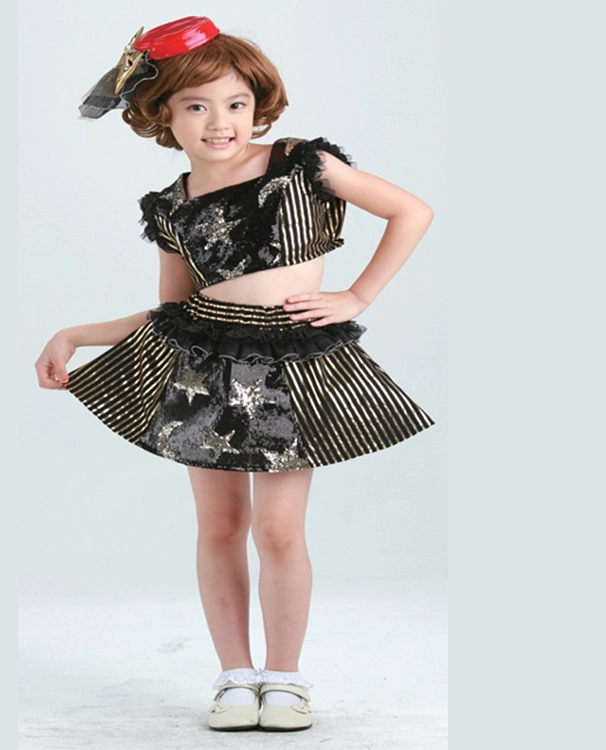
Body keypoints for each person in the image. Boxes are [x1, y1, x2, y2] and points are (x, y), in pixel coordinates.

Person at [34, 16, 435, 732]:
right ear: (161, 113)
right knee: (219, 526)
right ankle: (234, 677)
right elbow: (170, 311)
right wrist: (76, 334)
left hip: (291, 365)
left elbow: (410, 210)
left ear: (257, 106)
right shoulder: (172, 206)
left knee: (278, 530)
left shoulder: (301, 164)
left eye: (235, 104)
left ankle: (285, 678)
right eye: (196, 105)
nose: (220, 122)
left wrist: (357, 295)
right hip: (204, 370)